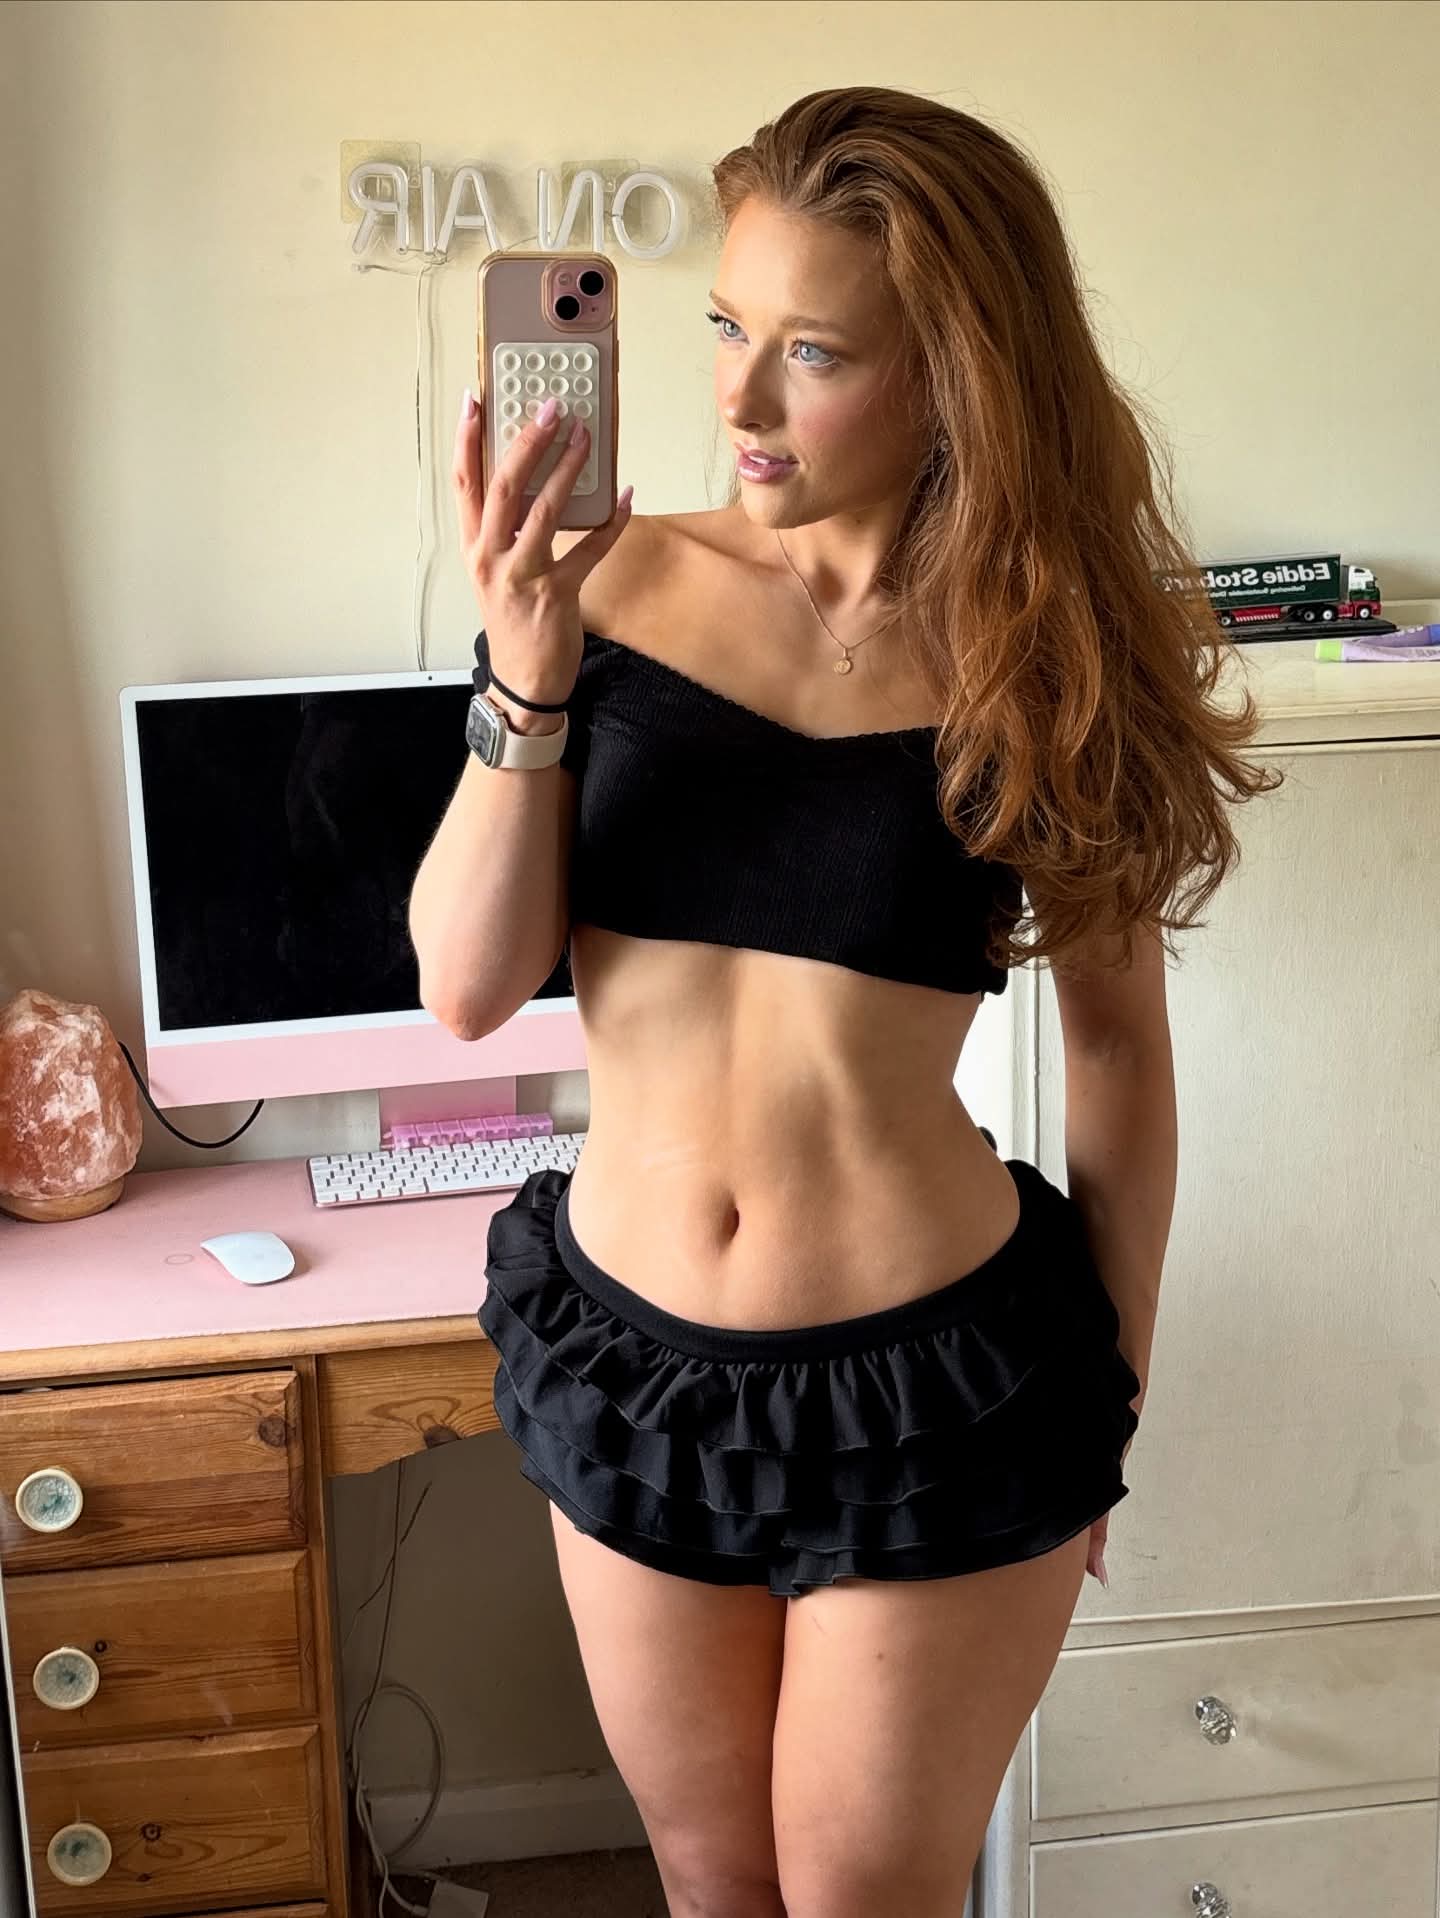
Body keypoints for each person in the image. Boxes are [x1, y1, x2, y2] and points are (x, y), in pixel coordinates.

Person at [410, 84, 1278, 1918]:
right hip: (633, 1362)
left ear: (957, 376)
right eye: (727, 325)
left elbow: (1119, 1051)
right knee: (713, 1881)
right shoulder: (609, 588)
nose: (738, 400)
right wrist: (528, 666)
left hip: (940, 1384)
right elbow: (467, 986)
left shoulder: (1039, 654)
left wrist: (1110, 1399)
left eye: (812, 353)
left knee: (864, 1892)